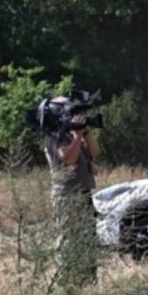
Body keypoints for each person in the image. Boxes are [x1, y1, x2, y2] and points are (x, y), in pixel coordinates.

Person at [42, 96, 100, 285]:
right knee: (69, 239)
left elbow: (95, 151)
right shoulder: (53, 136)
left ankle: (87, 281)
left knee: (88, 238)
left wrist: (85, 133)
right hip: (66, 196)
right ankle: (67, 283)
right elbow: (68, 159)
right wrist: (76, 137)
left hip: (83, 193)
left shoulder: (73, 134)